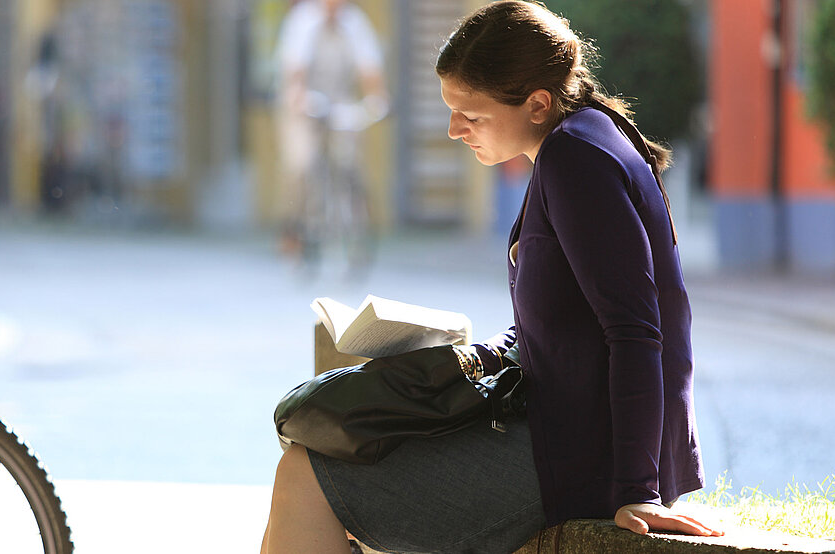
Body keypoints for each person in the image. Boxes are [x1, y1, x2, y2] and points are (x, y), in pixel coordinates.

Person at [260, 2, 723, 553]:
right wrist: (477, 354)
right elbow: (568, 324)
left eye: (471, 115)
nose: (455, 130)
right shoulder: (581, 136)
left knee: (307, 475)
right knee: (340, 454)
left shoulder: (576, 159)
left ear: (537, 103)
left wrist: (637, 490)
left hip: (579, 459)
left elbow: (638, 330)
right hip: (566, 434)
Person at [273, 0, 388, 258]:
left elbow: (370, 69)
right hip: (304, 101)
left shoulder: (355, 22)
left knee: (352, 160)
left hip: (339, 99)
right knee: (301, 163)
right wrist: (298, 97)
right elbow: (295, 72)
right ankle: (292, 228)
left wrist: (377, 99)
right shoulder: (302, 20)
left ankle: (359, 226)